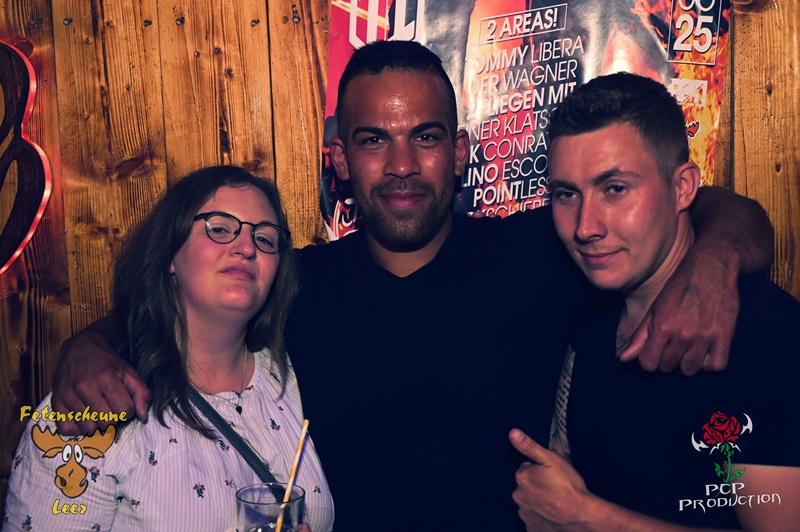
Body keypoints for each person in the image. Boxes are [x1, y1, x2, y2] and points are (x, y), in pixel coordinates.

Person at [50, 42, 774, 530]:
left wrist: (713, 262)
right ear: (340, 159)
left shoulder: (545, 251)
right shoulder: (295, 281)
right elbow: (175, 310)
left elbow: (719, 208)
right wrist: (86, 346)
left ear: (458, 153)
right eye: (374, 140)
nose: (401, 165)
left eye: (425, 137)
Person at [510, 73, 800, 530]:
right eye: (567, 194)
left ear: (683, 187)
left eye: (615, 189)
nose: (585, 226)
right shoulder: (592, 323)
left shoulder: (766, 332)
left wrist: (588, 518)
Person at [3, 167, 333, 531]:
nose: (246, 247)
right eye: (220, 228)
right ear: (170, 254)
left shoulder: (292, 380)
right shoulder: (92, 402)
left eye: (265, 237)